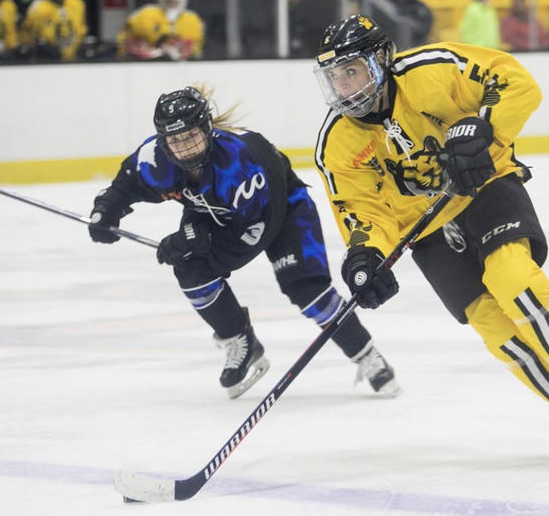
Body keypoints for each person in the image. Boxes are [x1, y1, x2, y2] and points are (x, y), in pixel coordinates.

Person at [312, 14, 549, 459]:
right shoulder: (337, 143)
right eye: (337, 77)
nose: (346, 86)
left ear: (381, 60)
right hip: (427, 229)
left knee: (512, 279)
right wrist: (366, 256)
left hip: (482, 186)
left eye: (353, 71)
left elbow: (516, 83)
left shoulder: (431, 70)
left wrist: (485, 127)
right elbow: (363, 212)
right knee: (492, 325)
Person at [87, 85, 401, 399]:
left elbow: (254, 231)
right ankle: (240, 340)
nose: (185, 148)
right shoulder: (154, 157)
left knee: (306, 289)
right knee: (190, 270)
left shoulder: (240, 161)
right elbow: (129, 180)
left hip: (281, 209)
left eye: (191, 136)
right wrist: (107, 209)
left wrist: (194, 238)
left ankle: (366, 354)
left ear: (207, 128)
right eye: (175, 140)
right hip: (218, 214)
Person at [116, 0, 204, 61]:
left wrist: (184, 51)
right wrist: (137, 51)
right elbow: (125, 39)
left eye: (174, 2)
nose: (171, 5)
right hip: (144, 64)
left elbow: (197, 49)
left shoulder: (193, 20)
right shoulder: (145, 14)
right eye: (168, 1)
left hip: (180, 67)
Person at [20, 0, 87, 61]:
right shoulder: (36, 8)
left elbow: (82, 33)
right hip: (48, 63)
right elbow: (27, 42)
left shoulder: (77, 4)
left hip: (75, 63)